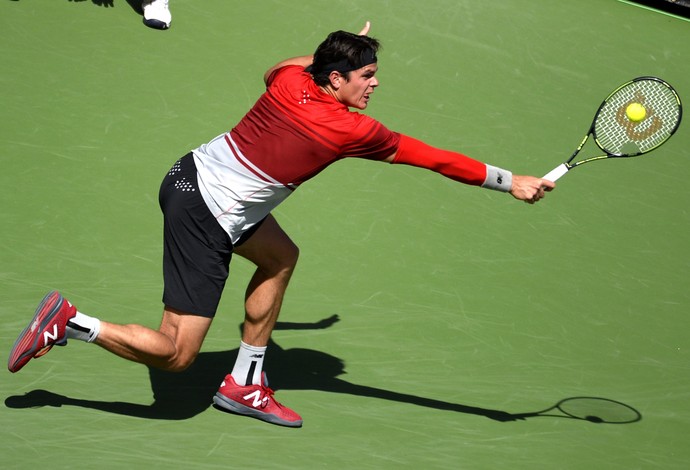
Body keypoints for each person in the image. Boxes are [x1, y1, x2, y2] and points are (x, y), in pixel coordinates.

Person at [7, 23, 555, 428]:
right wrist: (513, 182)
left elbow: (288, 65)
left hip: (188, 173)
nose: (375, 84)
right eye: (366, 75)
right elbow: (434, 157)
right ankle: (71, 323)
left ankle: (245, 381)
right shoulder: (350, 131)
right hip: (208, 215)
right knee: (176, 355)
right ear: (337, 78)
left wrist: (334, 52)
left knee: (280, 257)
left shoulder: (290, 79)